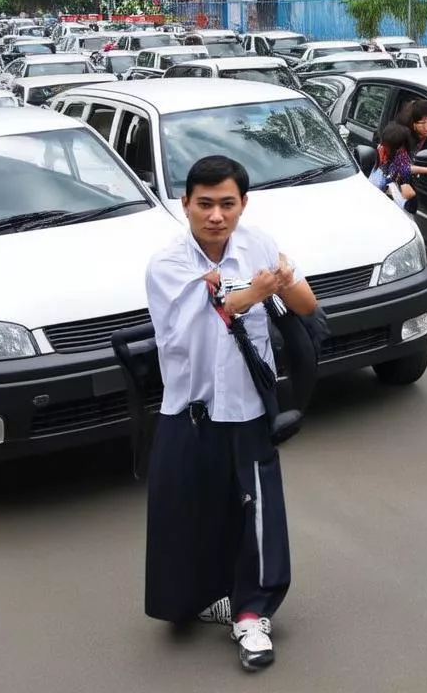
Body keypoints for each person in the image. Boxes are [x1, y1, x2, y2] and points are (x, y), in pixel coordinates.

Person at [144, 155, 318, 672]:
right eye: (205, 204)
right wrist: (257, 292)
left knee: (257, 510)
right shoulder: (167, 263)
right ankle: (200, 598)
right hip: (190, 406)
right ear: (185, 204)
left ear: (243, 204)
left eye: (227, 204)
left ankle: (251, 611)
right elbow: (215, 313)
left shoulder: (259, 243)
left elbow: (306, 306)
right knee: (186, 508)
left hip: (246, 405)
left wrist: (283, 279)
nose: (216, 215)